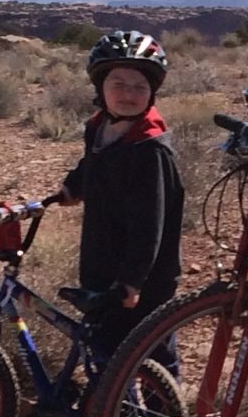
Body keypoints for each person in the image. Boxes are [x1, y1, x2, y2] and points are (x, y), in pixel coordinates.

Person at [49, 30, 185, 361]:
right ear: (101, 88)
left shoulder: (148, 150)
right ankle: (108, 407)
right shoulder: (100, 128)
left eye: (140, 86)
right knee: (104, 345)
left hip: (144, 279)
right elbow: (92, 164)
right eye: (118, 84)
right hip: (102, 262)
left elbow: (149, 225)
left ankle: (161, 410)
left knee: (150, 352)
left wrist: (132, 282)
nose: (129, 94)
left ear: (152, 92)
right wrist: (73, 187)